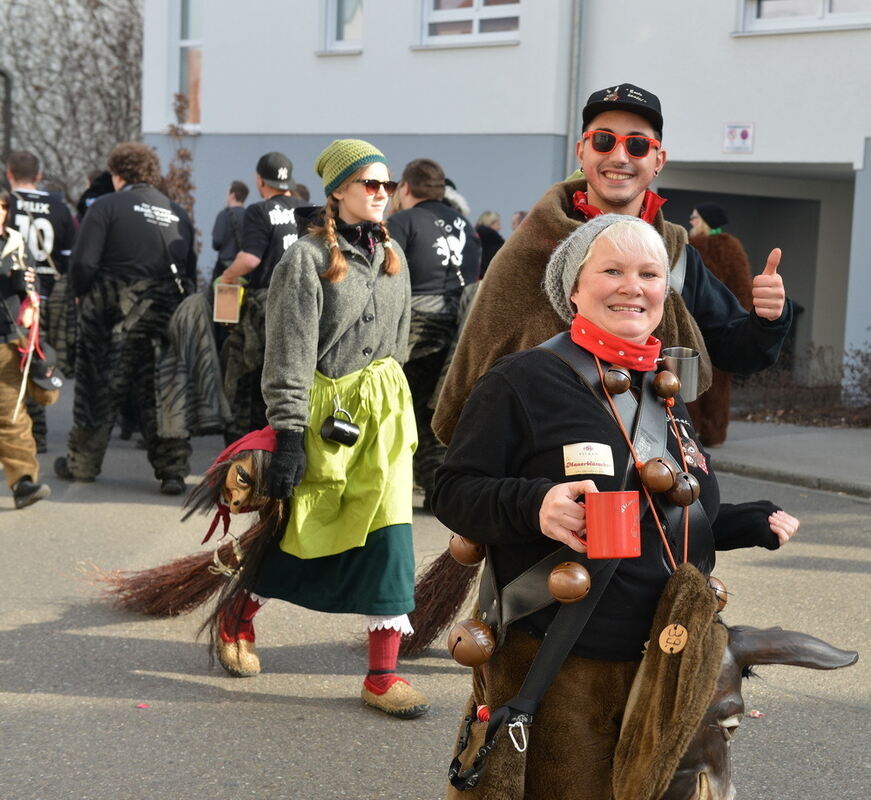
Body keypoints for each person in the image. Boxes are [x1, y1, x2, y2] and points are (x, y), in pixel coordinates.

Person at [432, 215, 799, 798]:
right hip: (564, 665)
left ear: (664, 292)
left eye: (649, 273)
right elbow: (450, 490)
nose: (633, 285)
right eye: (612, 270)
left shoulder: (660, 384)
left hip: (664, 663)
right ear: (573, 288)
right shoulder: (523, 379)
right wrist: (537, 504)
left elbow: (653, 513)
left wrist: (741, 522)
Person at [433, 83, 792, 446]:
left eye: (637, 145)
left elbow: (735, 349)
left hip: (653, 465)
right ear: (581, 152)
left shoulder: (676, 253)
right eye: (604, 140)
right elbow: (480, 370)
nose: (619, 157)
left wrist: (768, 317)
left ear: (658, 161)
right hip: (544, 463)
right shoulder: (530, 247)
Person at [211, 138, 429, 719]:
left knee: (390, 536)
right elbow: (287, 354)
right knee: (302, 526)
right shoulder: (304, 259)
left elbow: (401, 343)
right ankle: (237, 617)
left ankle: (382, 676)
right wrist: (287, 434)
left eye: (387, 184)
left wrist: (390, 404)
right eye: (370, 184)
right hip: (322, 412)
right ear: (338, 191)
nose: (382, 193)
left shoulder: (394, 255)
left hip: (383, 415)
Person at [54, 142, 198, 494]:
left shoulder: (106, 206)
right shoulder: (176, 211)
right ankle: (173, 470)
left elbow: (84, 263)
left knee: (98, 389)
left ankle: (82, 464)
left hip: (113, 314)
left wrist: (82, 292)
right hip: (164, 315)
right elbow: (190, 269)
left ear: (118, 176)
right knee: (163, 391)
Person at [387, 158, 481, 510]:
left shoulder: (400, 222)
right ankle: (437, 489)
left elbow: (386, 275)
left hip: (415, 333)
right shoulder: (466, 227)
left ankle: (408, 485)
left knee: (404, 412)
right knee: (438, 414)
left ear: (405, 189)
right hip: (460, 330)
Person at [217, 152, 300, 444]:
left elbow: (250, 260)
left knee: (247, 385)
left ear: (258, 180)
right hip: (303, 307)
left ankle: (244, 456)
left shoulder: (259, 211)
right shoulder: (309, 210)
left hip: (264, 308)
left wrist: (227, 276)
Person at [6, 150, 76, 451]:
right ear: (38, 176)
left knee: (11, 364)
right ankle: (38, 433)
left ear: (9, 174)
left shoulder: (6, 205)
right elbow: (69, 255)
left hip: (12, 298)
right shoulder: (58, 207)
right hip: (47, 297)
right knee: (37, 360)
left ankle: (18, 429)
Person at [686, 203, 754, 446]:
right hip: (722, 326)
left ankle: (688, 434)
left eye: (695, 218)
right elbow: (743, 290)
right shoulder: (732, 248)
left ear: (705, 221)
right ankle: (713, 433)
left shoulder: (691, 250)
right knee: (716, 384)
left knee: (690, 381)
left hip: (695, 327)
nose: (691, 221)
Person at [0, 189, 52, 508]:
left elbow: (34, 286)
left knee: (12, 415)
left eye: (3, 206)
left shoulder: (17, 244)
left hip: (7, 339)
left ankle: (23, 483)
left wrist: (32, 302)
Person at [210, 180, 249, 282]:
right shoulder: (250, 216)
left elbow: (216, 242)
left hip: (224, 269)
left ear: (232, 195)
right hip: (244, 269)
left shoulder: (223, 215)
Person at [475, 210, 505, 278]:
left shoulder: (473, 237)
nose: (500, 228)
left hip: (474, 279)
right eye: (498, 224)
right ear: (491, 223)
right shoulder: (495, 242)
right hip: (490, 279)